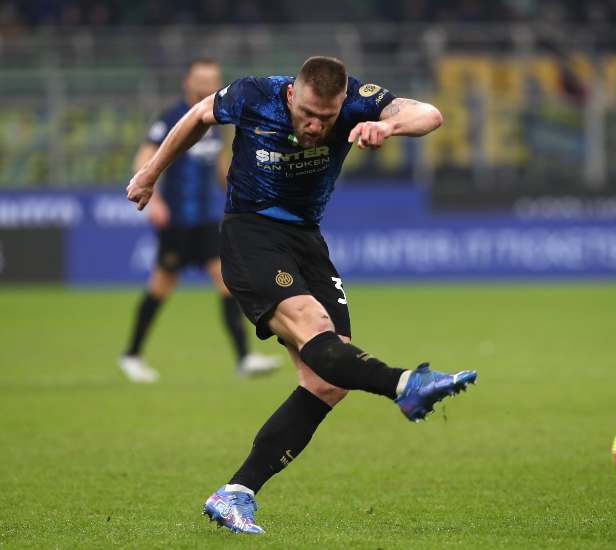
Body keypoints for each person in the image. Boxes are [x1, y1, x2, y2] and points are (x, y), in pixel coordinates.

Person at [126, 56, 477, 534]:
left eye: (327, 119)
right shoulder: (254, 95)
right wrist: (150, 173)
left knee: (327, 380)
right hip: (250, 234)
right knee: (315, 331)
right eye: (308, 113)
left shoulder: (356, 101)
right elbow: (197, 116)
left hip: (307, 241)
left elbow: (429, 115)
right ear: (292, 94)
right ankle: (405, 386)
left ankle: (235, 493)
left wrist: (387, 129)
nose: (315, 126)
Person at [119, 58, 280, 383]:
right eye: (201, 79)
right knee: (162, 286)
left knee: (226, 283)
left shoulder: (218, 120)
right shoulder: (171, 116)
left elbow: (221, 165)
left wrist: (242, 195)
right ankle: (132, 355)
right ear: (187, 82)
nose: (207, 85)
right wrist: (156, 200)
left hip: (207, 220)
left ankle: (244, 358)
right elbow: (145, 153)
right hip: (177, 220)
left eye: (213, 79)